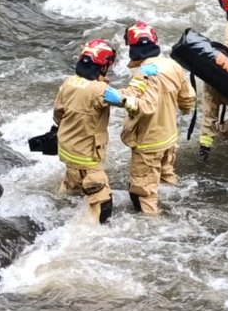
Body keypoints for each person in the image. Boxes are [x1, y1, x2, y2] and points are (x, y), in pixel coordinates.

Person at [52, 38, 134, 224]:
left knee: (71, 190)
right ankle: (92, 231)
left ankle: (59, 219)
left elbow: (58, 114)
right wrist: (142, 81)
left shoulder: (68, 82)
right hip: (88, 156)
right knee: (101, 199)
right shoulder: (100, 90)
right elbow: (128, 103)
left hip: (66, 149)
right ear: (102, 67)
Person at [121, 21, 196, 214]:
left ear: (133, 48)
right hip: (169, 137)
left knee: (145, 191)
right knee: (167, 177)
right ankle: (178, 210)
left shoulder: (143, 74)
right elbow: (188, 99)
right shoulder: (172, 65)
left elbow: (139, 106)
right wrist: (182, 111)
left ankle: (151, 225)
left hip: (148, 142)